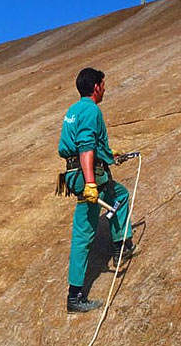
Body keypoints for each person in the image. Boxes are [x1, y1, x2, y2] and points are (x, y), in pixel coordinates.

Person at [57, 67, 136, 313]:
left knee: (119, 195)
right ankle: (75, 296)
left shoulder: (74, 109)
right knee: (84, 233)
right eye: (103, 84)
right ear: (96, 87)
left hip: (73, 173)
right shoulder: (92, 110)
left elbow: (85, 145)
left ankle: (122, 243)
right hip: (86, 175)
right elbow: (85, 147)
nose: (105, 88)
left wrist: (108, 154)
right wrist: (91, 183)